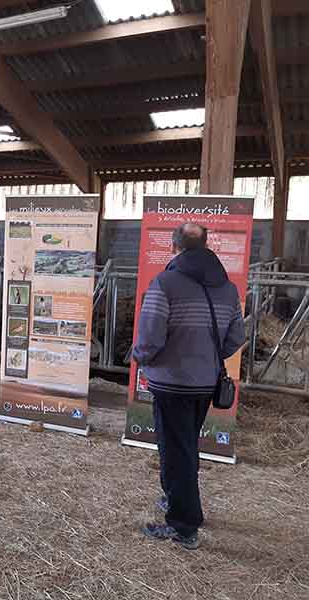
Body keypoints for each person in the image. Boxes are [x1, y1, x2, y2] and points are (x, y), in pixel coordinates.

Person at [133, 223, 245, 550]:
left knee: (175, 451)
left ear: (174, 247)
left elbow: (150, 337)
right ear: (206, 245)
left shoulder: (165, 283)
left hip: (171, 384)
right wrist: (206, 357)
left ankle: (184, 526)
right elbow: (236, 337)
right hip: (205, 383)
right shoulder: (227, 288)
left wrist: (141, 357)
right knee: (185, 446)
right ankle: (178, 502)